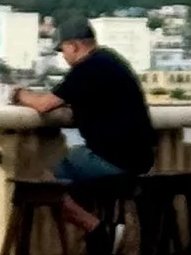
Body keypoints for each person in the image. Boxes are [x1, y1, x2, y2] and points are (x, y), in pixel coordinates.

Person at [12, 21, 158, 226]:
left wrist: (19, 94)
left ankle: (95, 228)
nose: (63, 56)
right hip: (142, 159)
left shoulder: (86, 69)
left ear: (73, 46)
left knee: (47, 184)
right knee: (78, 173)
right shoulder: (110, 60)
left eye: (63, 50)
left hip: (114, 160)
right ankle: (107, 233)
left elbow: (44, 104)